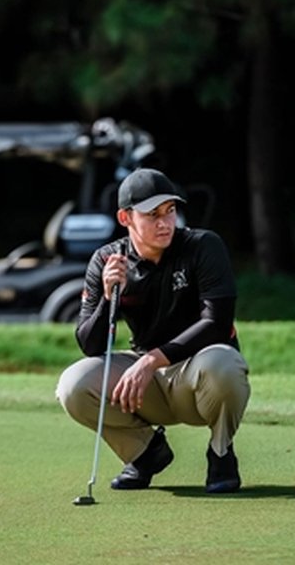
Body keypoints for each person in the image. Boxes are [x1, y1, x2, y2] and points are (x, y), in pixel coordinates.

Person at [56, 168, 249, 492]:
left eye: (170, 211)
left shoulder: (203, 246)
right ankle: (145, 453)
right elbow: (89, 345)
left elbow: (216, 323)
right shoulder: (106, 260)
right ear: (125, 217)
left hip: (197, 375)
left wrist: (151, 361)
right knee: (72, 385)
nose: (165, 222)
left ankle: (221, 453)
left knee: (224, 364)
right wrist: (107, 298)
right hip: (147, 387)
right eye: (152, 214)